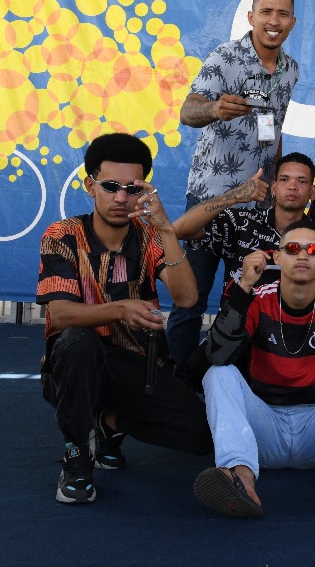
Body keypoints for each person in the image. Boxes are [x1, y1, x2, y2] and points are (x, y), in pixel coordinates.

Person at [36, 133, 212, 505]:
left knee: (201, 436)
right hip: (75, 364)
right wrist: (121, 308)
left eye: (132, 188)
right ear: (90, 186)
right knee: (79, 341)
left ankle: (107, 423)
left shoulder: (150, 237)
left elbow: (187, 298)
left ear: (144, 190)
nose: (120, 198)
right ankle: (77, 455)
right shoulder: (62, 235)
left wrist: (166, 228)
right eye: (110, 186)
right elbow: (61, 315)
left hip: (138, 364)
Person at [193, 218, 315, 517]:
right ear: (276, 256)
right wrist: (244, 286)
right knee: (218, 373)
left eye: (312, 250)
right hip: (263, 435)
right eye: (292, 249)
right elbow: (218, 354)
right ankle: (239, 477)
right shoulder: (256, 299)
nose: (302, 255)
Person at [167, 0, 300, 366]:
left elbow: (273, 129)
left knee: (246, 300)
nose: (274, 21)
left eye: (282, 14)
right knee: (190, 299)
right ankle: (177, 385)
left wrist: (274, 184)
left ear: (292, 22)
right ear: (251, 17)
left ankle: (233, 380)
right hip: (210, 201)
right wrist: (213, 110)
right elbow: (187, 111)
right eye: (266, 12)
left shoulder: (291, 69)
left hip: (257, 205)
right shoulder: (224, 57)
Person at [172, 152, 315, 293]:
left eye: (302, 181)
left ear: (312, 192)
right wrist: (233, 196)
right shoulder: (242, 222)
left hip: (301, 335)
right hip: (240, 329)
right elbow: (179, 230)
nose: (292, 186)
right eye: (284, 179)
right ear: (273, 188)